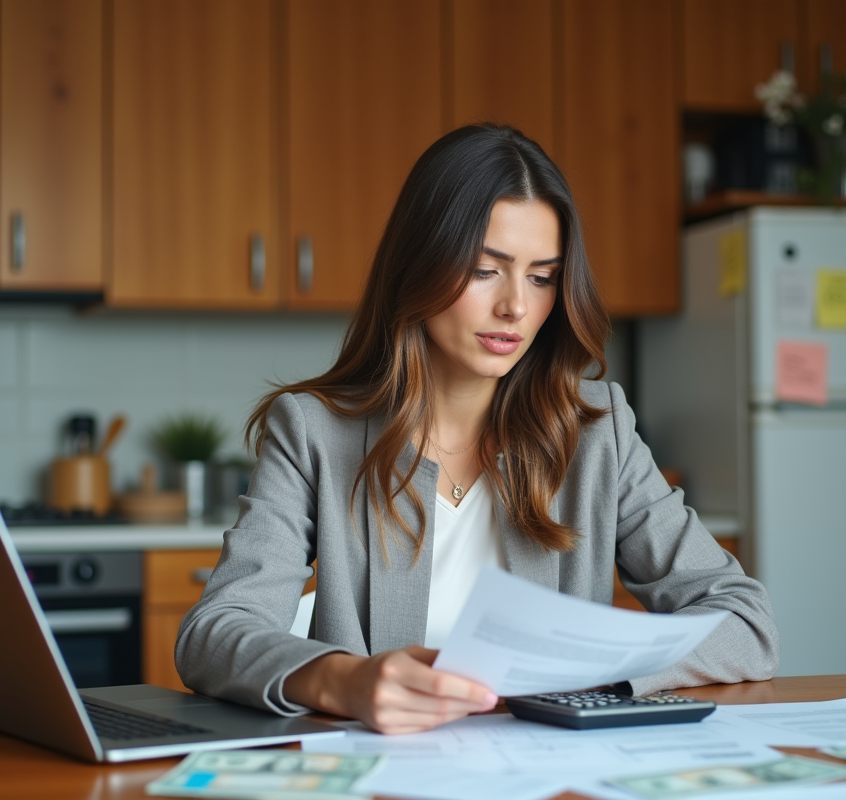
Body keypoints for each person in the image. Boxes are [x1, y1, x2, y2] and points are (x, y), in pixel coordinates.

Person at [176, 124, 778, 735]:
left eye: (542, 277)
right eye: (486, 269)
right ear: (420, 265)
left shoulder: (599, 431)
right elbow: (215, 631)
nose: (516, 306)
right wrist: (345, 680)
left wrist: (598, 679)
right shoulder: (313, 432)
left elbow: (745, 621)